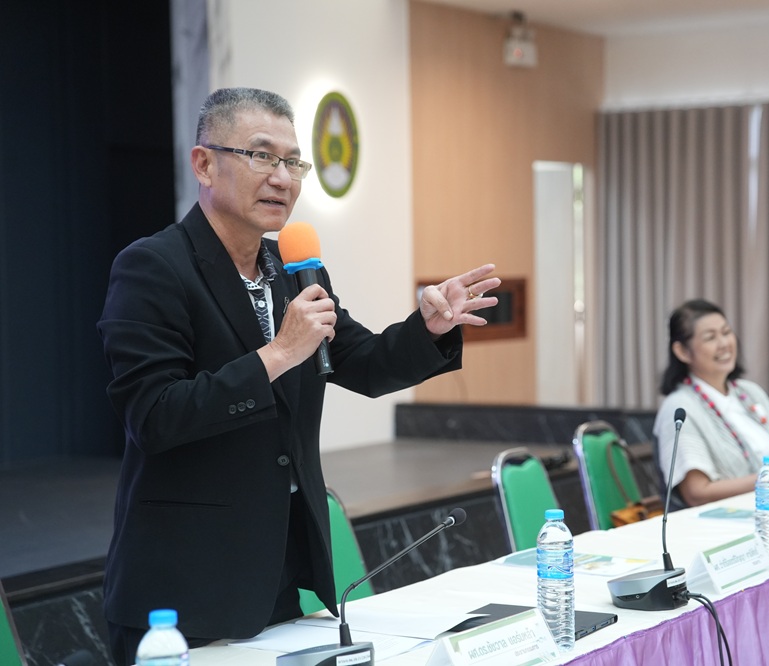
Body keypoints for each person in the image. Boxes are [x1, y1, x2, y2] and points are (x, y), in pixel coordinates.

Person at [97, 87, 500, 665]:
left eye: (293, 162)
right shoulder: (153, 267)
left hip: (277, 572)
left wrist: (429, 328)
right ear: (204, 164)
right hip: (182, 589)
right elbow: (155, 416)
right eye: (262, 156)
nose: (282, 178)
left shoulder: (294, 269)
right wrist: (278, 354)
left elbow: (366, 363)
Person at [653, 299, 769, 508]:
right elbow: (696, 494)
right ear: (682, 351)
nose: (724, 344)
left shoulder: (750, 392)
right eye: (710, 337)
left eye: (726, 332)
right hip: (721, 521)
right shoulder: (679, 407)